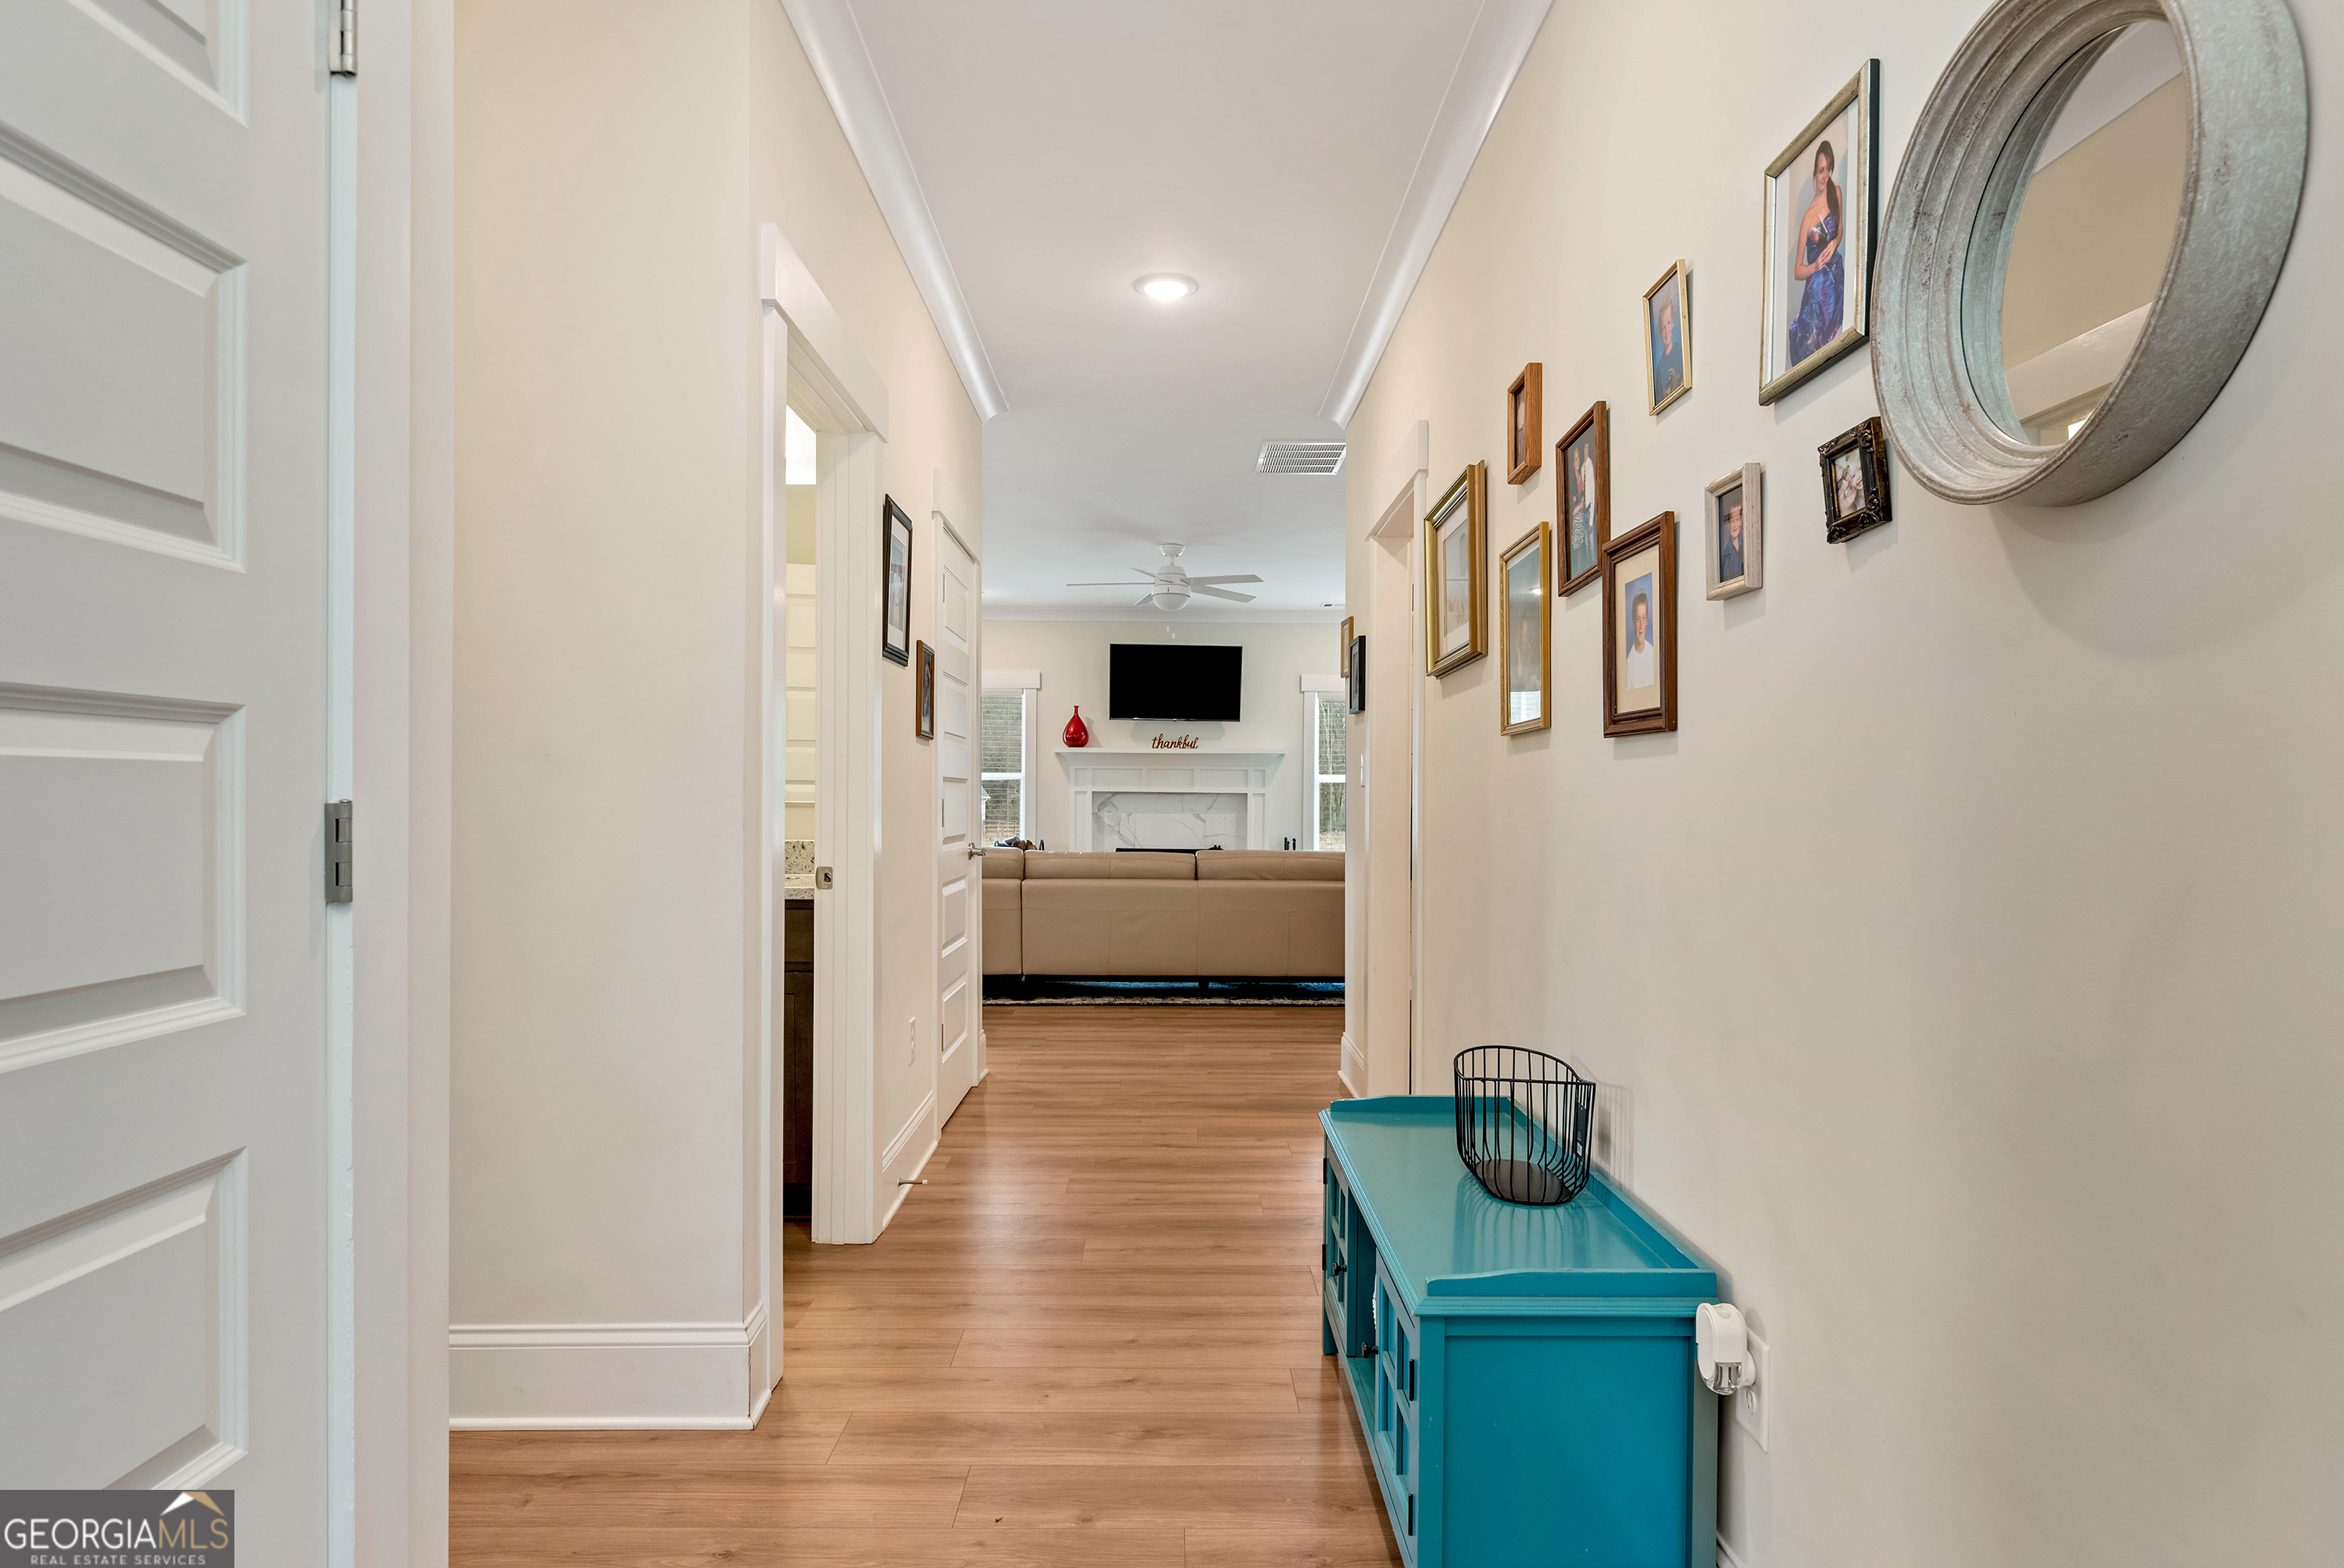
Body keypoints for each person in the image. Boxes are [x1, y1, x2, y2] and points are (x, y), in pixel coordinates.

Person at [1788, 139, 1844, 366]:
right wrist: (1816, 266)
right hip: (1817, 291)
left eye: (1828, 170)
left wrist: (1835, 242)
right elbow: (1797, 271)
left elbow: (1839, 230)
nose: (1825, 176)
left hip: (1837, 277)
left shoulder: (1836, 193)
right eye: (1821, 170)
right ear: (1815, 172)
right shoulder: (1808, 218)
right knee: (1816, 347)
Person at [1650, 291, 1685, 405]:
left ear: (1673, 322)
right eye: (1663, 327)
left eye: (1669, 323)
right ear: (1660, 332)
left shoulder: (1680, 351)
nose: (1666, 332)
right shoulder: (1660, 368)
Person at [1624, 587, 1655, 691]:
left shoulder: (1654, 655)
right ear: (1633, 622)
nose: (1641, 626)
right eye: (1638, 619)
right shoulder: (1628, 663)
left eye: (1643, 618)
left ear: (1646, 621)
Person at [1718, 493, 1745, 581]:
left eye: (1737, 520)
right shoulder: (1727, 551)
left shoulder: (1744, 544)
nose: (1735, 525)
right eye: (1732, 521)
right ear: (1728, 524)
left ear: (1741, 521)